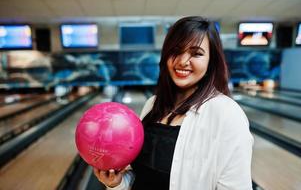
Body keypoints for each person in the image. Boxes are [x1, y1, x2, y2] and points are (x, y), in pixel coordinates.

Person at [94, 16, 254, 190]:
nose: (183, 61)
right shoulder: (152, 105)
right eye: (176, 51)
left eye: (196, 53)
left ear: (211, 61)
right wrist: (117, 183)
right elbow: (141, 178)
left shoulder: (226, 114)